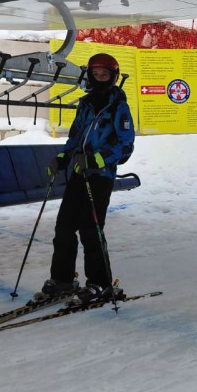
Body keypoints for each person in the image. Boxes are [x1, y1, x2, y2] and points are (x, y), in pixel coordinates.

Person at [40, 53, 135, 305]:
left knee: (91, 230)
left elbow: (126, 146)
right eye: (95, 74)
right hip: (79, 174)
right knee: (63, 227)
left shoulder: (118, 107)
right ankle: (62, 279)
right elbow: (75, 137)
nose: (99, 78)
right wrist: (63, 157)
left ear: (113, 77)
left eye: (105, 75)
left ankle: (100, 283)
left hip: (100, 177)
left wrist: (96, 160)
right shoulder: (85, 104)